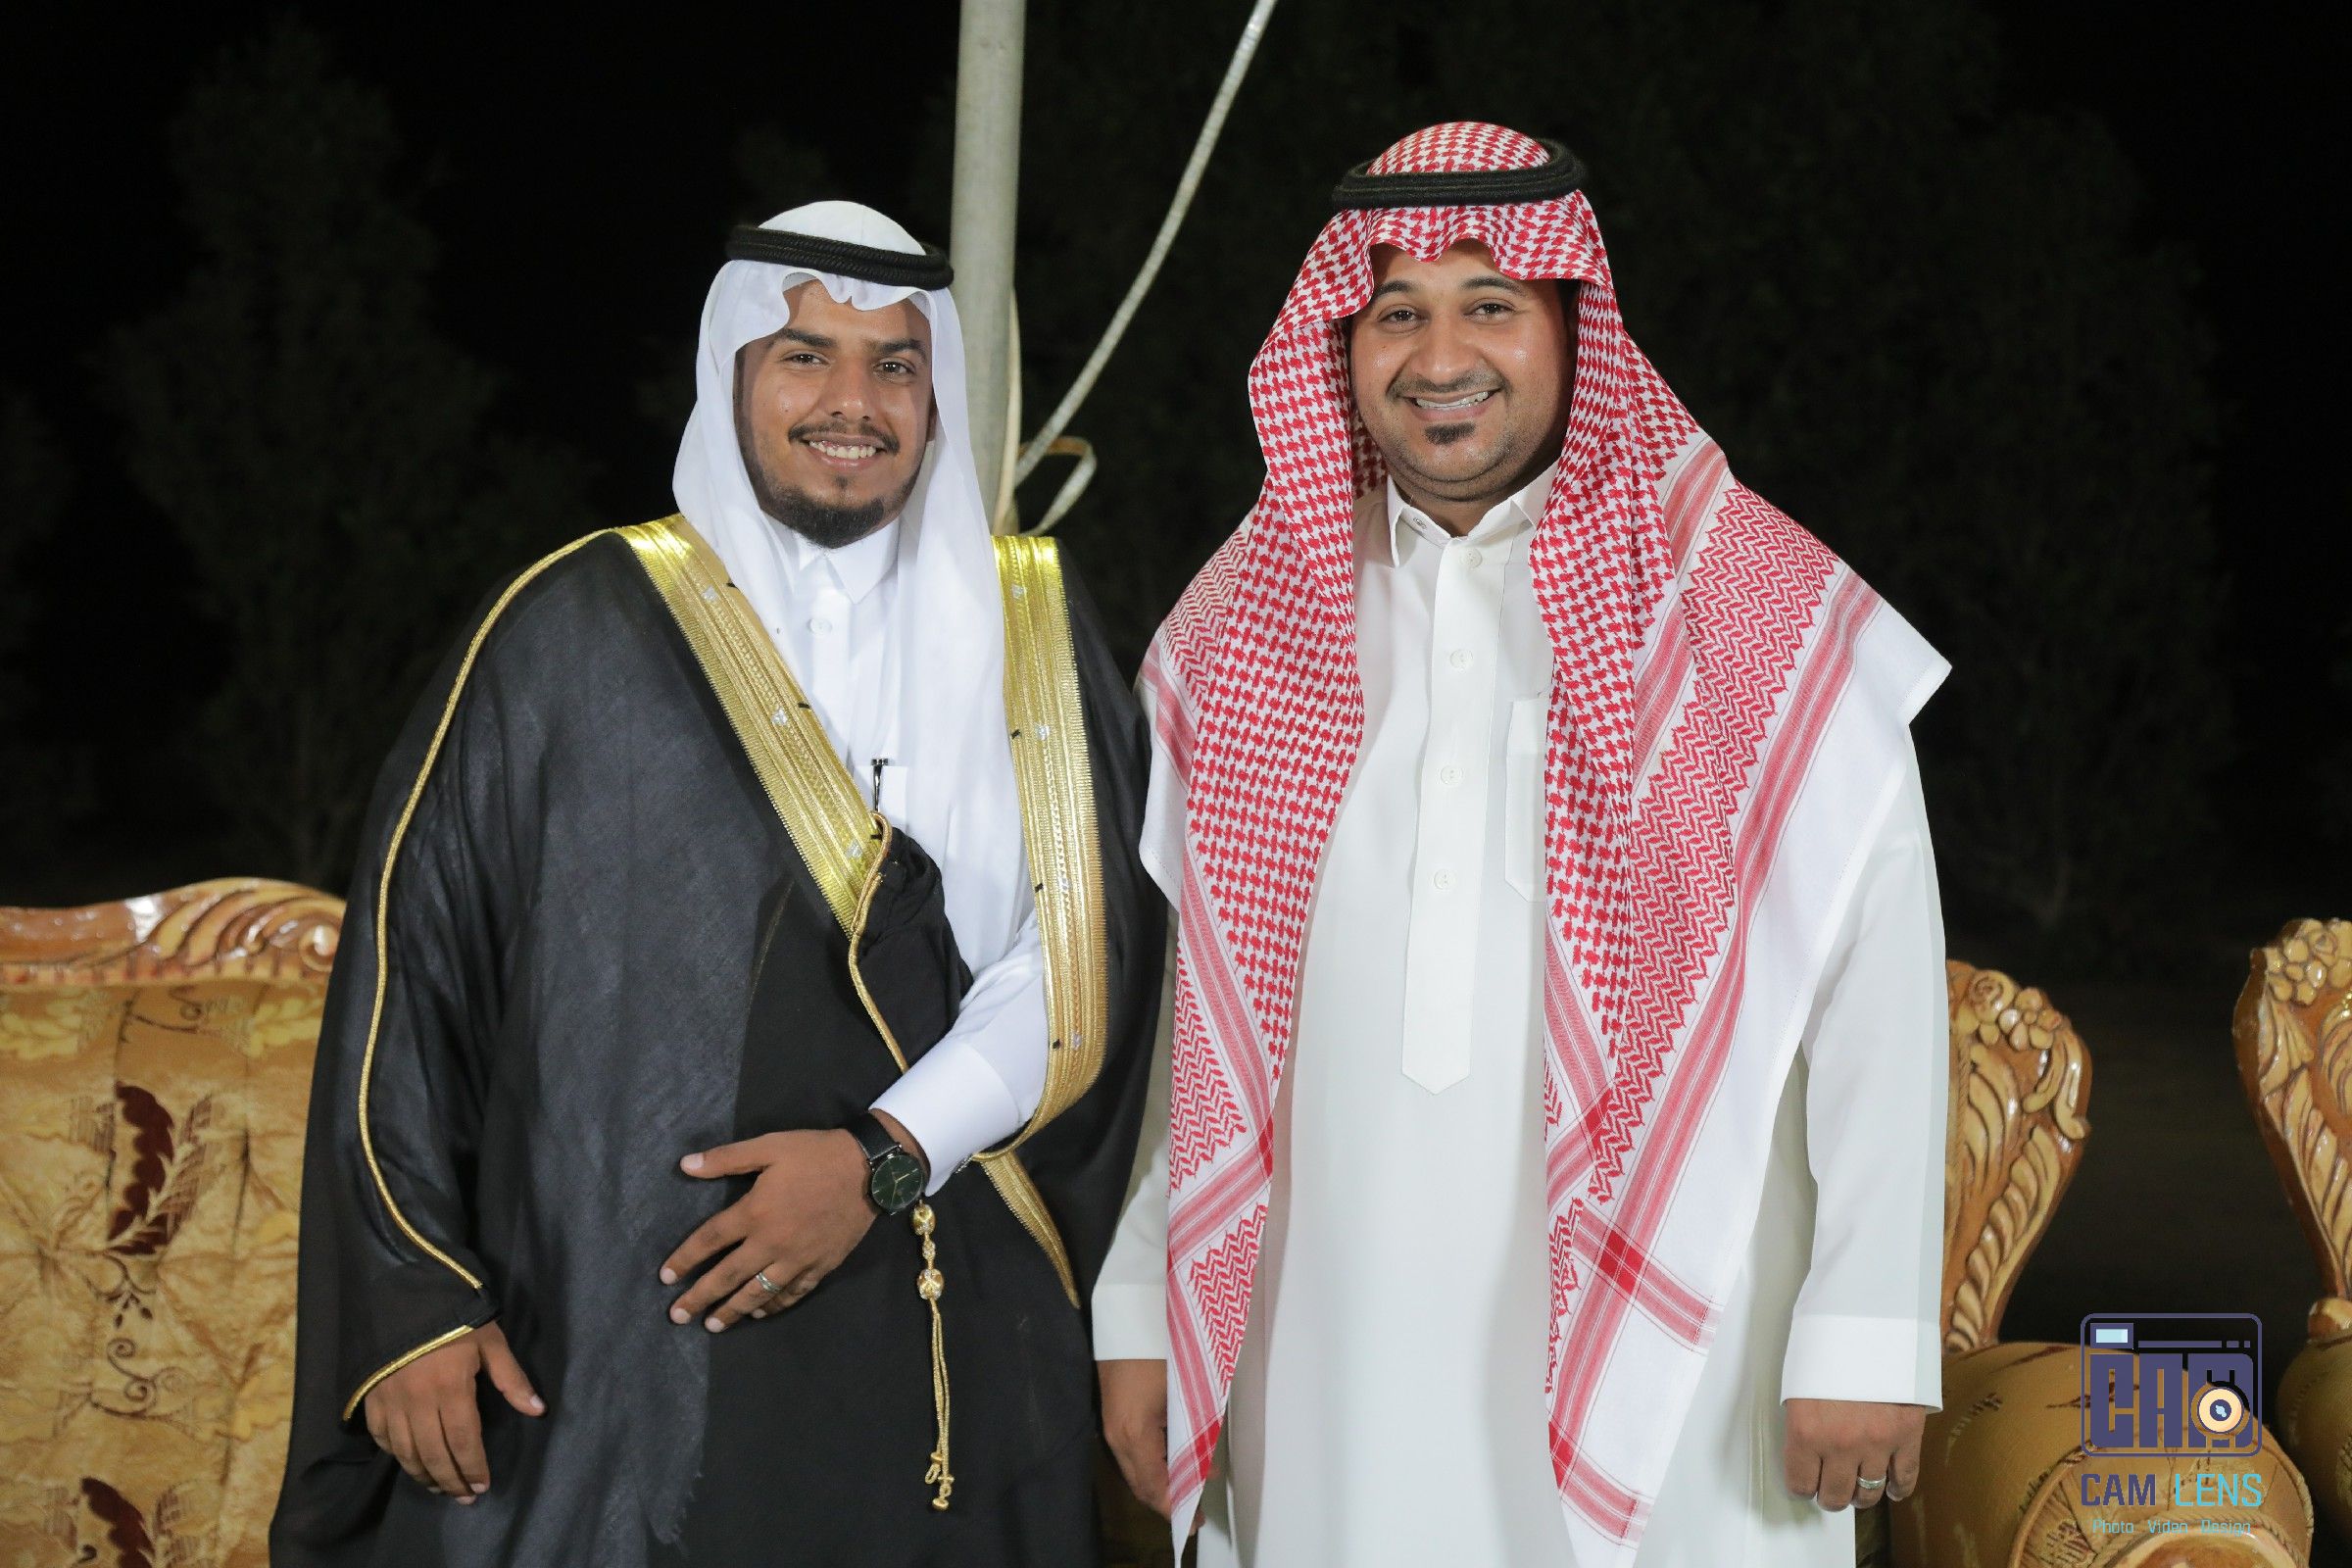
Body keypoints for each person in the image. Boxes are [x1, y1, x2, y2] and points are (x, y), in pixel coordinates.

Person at [1092, 123, 1950, 1567]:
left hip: (1691, 1351)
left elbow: (1883, 988)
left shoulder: (1751, 603)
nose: (1441, 357)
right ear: (1339, 343)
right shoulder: (1239, 629)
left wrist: (1867, 1326)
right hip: (1329, 1343)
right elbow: (1200, 1023)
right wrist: (1140, 1300)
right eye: (1396, 312)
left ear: (1572, 324)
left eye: (1490, 304)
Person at [271, 200, 1161, 1567]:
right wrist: (415, 1301)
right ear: (731, 372)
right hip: (603, 1329)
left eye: (895, 364)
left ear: (937, 397)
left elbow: (1085, 955)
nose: (852, 401)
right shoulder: (570, 631)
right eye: (805, 356)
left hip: (936, 1316)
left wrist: (882, 1158)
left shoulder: (1031, 624)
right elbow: (412, 975)